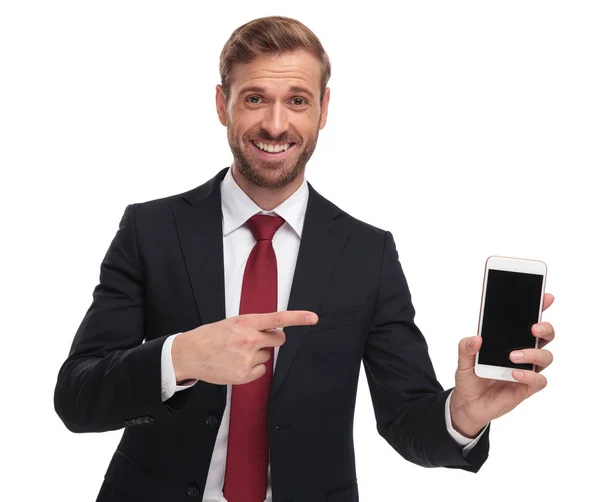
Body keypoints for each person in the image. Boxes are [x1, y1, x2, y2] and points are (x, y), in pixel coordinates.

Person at [54, 15, 555, 502]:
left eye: (297, 100)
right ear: (221, 104)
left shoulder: (367, 252)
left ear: (324, 108)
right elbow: (77, 398)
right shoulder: (151, 229)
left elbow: (407, 422)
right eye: (255, 99)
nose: (275, 124)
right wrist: (180, 357)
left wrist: (463, 415)